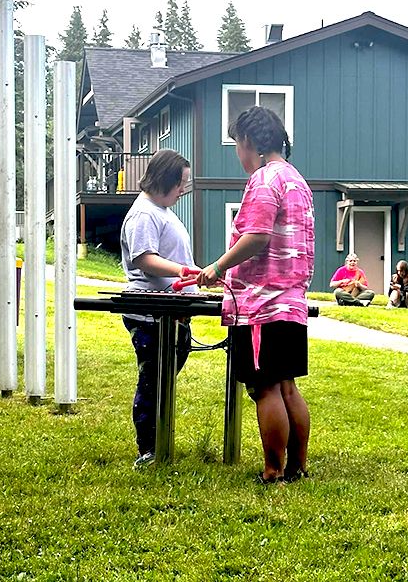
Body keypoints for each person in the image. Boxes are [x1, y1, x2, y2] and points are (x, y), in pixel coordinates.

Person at [197, 106, 315, 484]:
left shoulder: (265, 180)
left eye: (237, 144)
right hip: (292, 300)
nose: (238, 153)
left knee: (265, 388)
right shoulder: (298, 181)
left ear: (250, 142)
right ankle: (296, 466)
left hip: (263, 305)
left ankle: (272, 470)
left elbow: (258, 236)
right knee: (287, 386)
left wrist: (217, 267)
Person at [120, 149, 198, 468]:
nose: (183, 190)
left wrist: (196, 275)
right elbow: (145, 259)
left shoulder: (162, 210)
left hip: (171, 310)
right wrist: (183, 272)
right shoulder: (145, 213)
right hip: (151, 313)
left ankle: (160, 440)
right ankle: (148, 449)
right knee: (153, 379)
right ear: (165, 179)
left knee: (163, 377)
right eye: (181, 183)